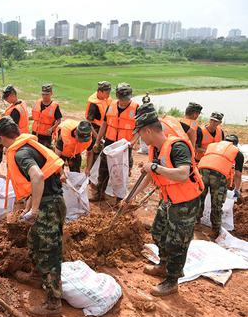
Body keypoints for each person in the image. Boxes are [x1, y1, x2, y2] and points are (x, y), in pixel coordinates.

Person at [125, 103, 203, 296]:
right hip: (168, 200)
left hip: (185, 203)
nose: (140, 138)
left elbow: (183, 174)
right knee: (158, 232)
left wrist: (156, 168)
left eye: (140, 134)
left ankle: (172, 280)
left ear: (149, 130)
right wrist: (130, 197)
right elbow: (150, 176)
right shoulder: (156, 149)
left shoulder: (177, 147)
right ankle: (163, 264)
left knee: (177, 242)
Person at [0, 116, 66, 317]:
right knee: (34, 241)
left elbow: (38, 176)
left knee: (49, 252)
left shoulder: (21, 153)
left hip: (48, 206)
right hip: (51, 202)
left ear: (1, 137)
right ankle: (36, 275)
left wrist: (34, 209)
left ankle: (53, 303)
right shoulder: (29, 145)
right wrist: (30, 206)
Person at [91, 83, 139, 202]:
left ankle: (120, 198)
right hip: (109, 142)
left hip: (124, 145)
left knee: (121, 172)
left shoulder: (137, 108)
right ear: (117, 96)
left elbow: (140, 129)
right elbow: (104, 124)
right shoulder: (111, 105)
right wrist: (97, 141)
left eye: (126, 99)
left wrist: (133, 142)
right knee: (103, 169)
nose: (123, 102)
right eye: (121, 99)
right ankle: (99, 194)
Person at [197, 136, 243, 238]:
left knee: (199, 198)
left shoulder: (212, 145)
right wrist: (237, 189)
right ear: (235, 144)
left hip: (201, 170)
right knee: (216, 203)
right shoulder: (236, 152)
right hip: (217, 175)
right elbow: (238, 174)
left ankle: (195, 223)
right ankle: (215, 230)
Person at [224, 134, 244, 200]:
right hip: (218, 178)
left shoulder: (214, 147)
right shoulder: (238, 154)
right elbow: (238, 175)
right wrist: (237, 190)